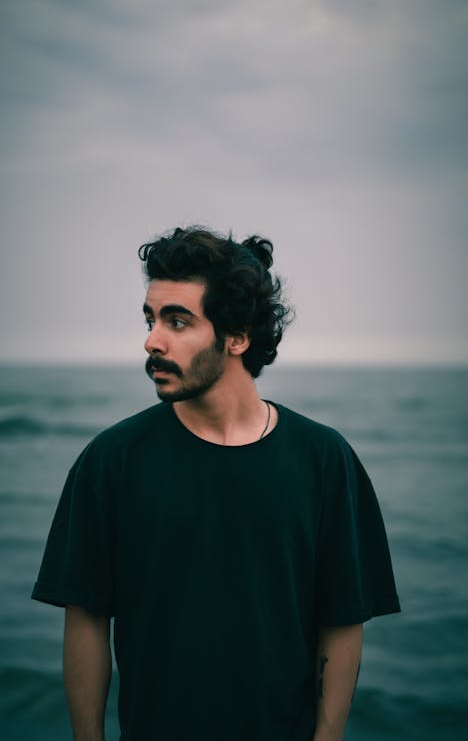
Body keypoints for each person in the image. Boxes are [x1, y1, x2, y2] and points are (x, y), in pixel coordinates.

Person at [32, 226, 400, 741]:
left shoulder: (323, 460)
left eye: (178, 321)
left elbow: (341, 619)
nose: (152, 339)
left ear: (238, 336)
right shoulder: (111, 461)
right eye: (151, 318)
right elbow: (87, 616)